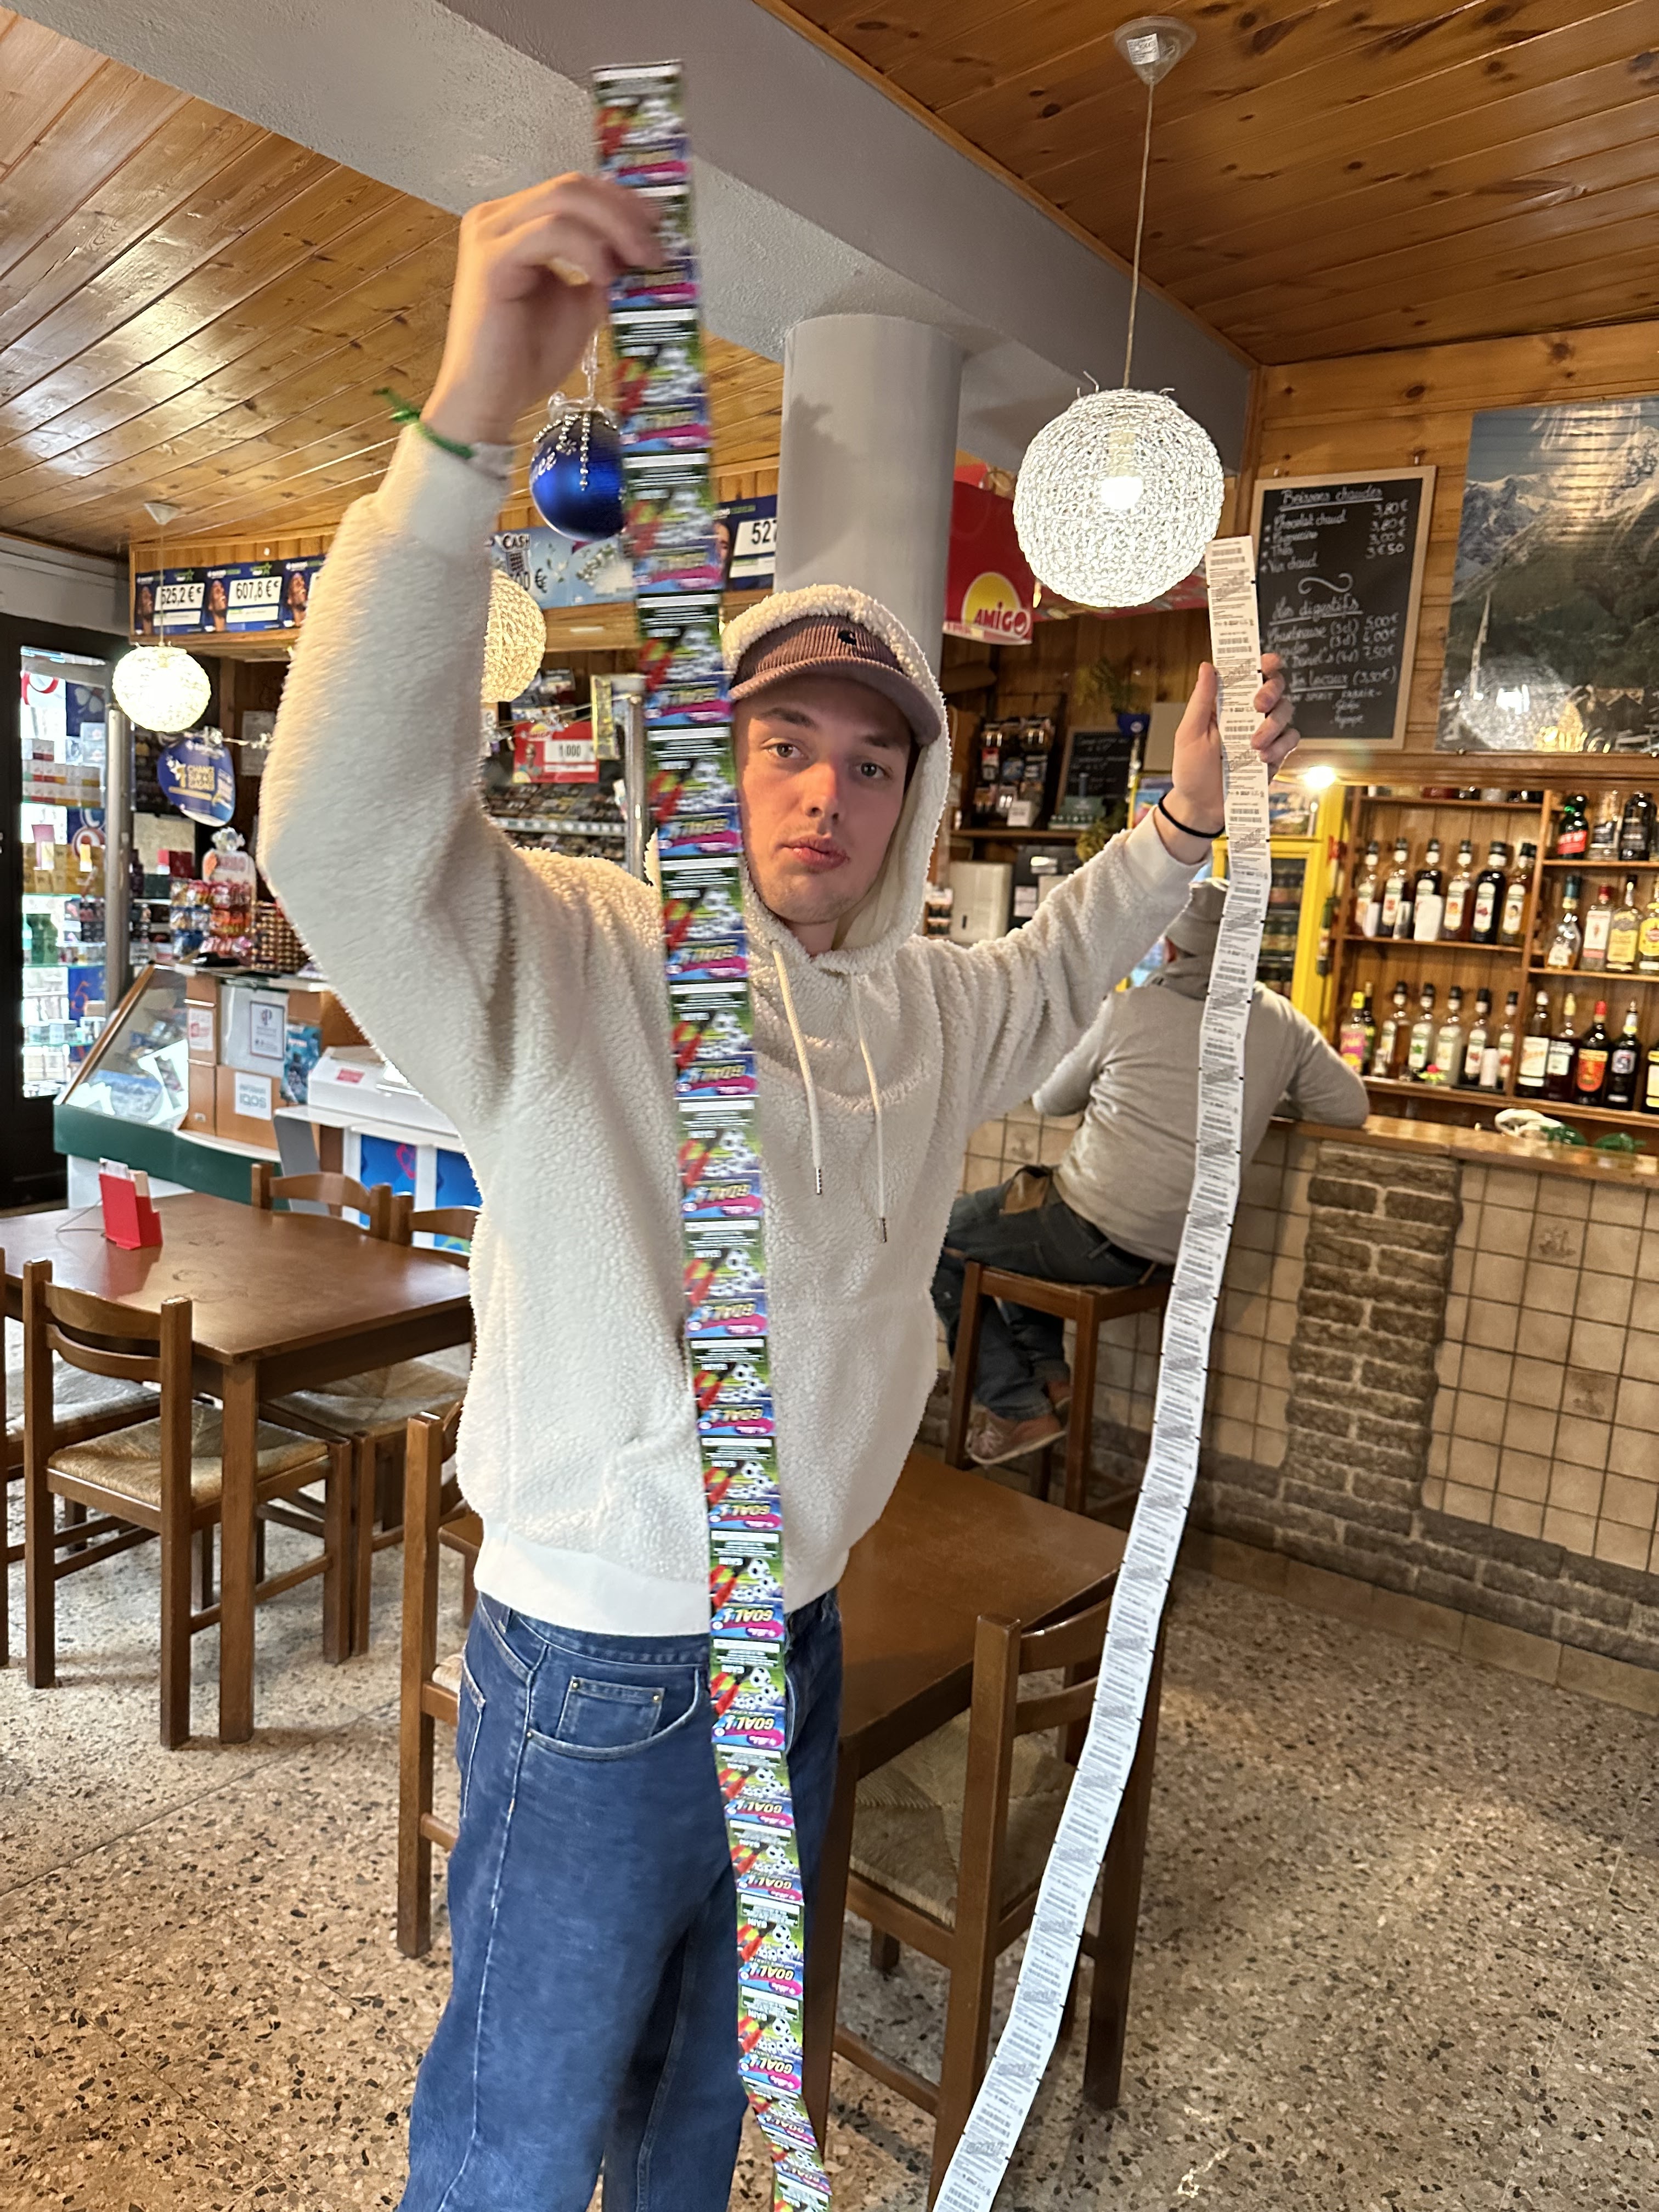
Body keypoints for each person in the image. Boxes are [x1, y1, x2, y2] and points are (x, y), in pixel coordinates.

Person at [259, 171, 1300, 2212]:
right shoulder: (579, 957)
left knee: (713, 2106)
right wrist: (467, 423)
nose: (827, 790)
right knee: (515, 2133)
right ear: (710, 763)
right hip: (597, 1656)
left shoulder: (927, 1009)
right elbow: (344, 835)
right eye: (782, 743)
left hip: (793, 1640)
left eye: (872, 759)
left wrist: (1183, 813)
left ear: (915, 795)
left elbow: (1057, 967)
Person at [932, 876, 1368, 1464]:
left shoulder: (1130, 1010)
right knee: (1017, 1218)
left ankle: (1016, 1408)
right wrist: (1264, 1089)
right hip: (1181, 1252)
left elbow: (1051, 1100)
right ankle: (1050, 1380)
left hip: (1094, 1232)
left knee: (931, 1236)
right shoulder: (1281, 1022)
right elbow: (1349, 1107)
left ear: (1170, 946)